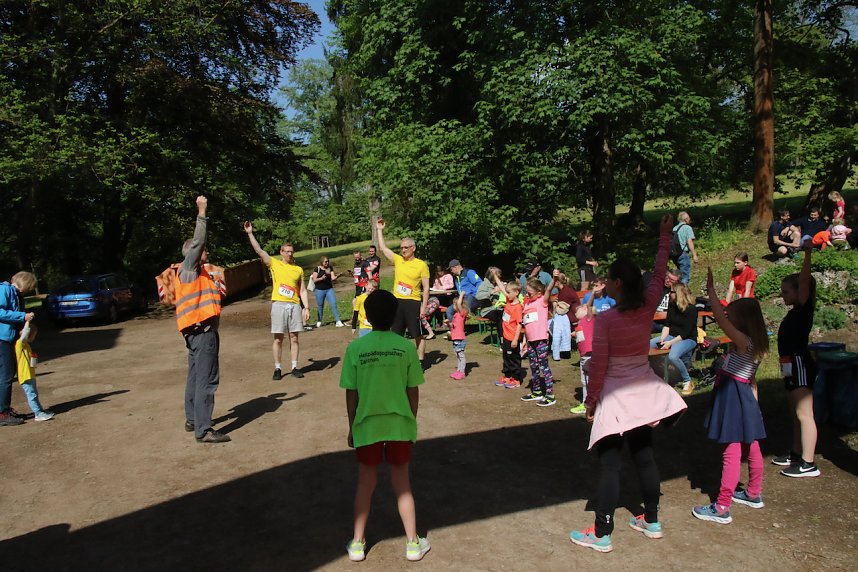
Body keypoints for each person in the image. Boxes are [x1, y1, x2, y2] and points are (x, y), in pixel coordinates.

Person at [568, 215, 687, 554]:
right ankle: (651, 520)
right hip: (643, 394)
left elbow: (600, 365)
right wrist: (664, 236)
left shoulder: (606, 320)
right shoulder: (648, 305)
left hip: (617, 398)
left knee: (610, 463)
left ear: (618, 283)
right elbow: (660, 272)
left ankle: (602, 532)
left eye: (609, 280)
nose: (605, 283)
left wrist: (591, 403)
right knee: (645, 457)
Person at [340, 289, 430, 563]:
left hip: (366, 425)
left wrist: (352, 426)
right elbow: (412, 390)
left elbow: (351, 392)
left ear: (366, 315)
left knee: (366, 483)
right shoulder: (405, 347)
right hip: (399, 424)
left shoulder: (356, 348)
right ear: (395, 316)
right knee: (402, 483)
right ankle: (413, 544)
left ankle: (357, 544)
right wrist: (410, 419)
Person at [691, 269, 769, 525]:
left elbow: (720, 319)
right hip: (746, 394)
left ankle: (722, 506)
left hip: (734, 395)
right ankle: (753, 493)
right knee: (752, 444)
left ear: (743, 320)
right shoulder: (757, 342)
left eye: (733, 316)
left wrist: (712, 291)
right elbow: (751, 377)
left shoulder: (743, 340)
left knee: (731, 450)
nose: (728, 319)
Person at [179, 196, 229, 443]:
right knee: (206, 381)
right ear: (194, 254)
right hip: (203, 333)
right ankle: (204, 429)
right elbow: (198, 241)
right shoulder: (189, 268)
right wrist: (202, 211)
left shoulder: (198, 273)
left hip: (194, 334)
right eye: (203, 251)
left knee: (194, 377)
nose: (206, 252)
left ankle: (192, 419)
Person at [772, 246, 820, 478]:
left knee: (804, 414)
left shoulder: (803, 308)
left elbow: (804, 280)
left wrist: (808, 254)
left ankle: (809, 463)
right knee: (795, 413)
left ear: (801, 292)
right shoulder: (794, 311)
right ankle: (796, 453)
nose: (783, 295)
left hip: (800, 362)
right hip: (789, 363)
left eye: (786, 292)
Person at [244, 222, 310, 379]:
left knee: (294, 337)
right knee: (278, 338)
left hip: (294, 305)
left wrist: (305, 307)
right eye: (286, 252)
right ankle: (278, 368)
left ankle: (294, 366)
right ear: (281, 252)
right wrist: (250, 233)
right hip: (279, 304)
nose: (289, 254)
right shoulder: (274, 264)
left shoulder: (298, 270)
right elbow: (259, 251)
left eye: (291, 252)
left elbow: (302, 290)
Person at [375, 220, 430, 362]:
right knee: (396, 333)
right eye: (401, 248)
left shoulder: (421, 265)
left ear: (413, 248)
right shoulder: (398, 260)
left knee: (417, 333)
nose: (403, 250)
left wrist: (423, 307)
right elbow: (383, 248)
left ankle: (421, 361)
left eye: (406, 247)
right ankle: (398, 359)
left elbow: (426, 289)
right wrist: (379, 230)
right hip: (397, 302)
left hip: (413, 302)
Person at [0, 271, 35, 426]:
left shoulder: (14, 293)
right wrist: (22, 317)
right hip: (2, 340)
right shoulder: (5, 290)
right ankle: (2, 413)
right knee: (6, 376)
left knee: (6, 375)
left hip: (7, 338)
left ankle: (4, 409)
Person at [650, 283, 698, 396]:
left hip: (687, 339)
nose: (669, 293)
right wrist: (662, 339)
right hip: (671, 336)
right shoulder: (671, 305)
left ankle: (687, 380)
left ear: (678, 294)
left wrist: (670, 343)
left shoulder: (691, 309)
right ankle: (655, 374)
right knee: (648, 345)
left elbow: (686, 332)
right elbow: (667, 325)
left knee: (673, 356)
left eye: (671, 292)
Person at [520, 274, 558, 407]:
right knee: (533, 366)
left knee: (543, 366)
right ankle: (536, 391)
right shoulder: (527, 303)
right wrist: (525, 340)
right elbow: (526, 323)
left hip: (541, 339)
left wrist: (554, 279)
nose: (527, 295)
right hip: (530, 340)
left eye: (529, 293)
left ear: (538, 292)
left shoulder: (542, 301)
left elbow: (548, 290)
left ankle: (550, 395)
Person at [15, 322, 54, 421]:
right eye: (34, 335)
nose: (34, 337)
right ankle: (38, 413)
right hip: (25, 375)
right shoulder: (20, 343)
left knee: (34, 394)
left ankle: (40, 411)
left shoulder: (27, 345)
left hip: (30, 374)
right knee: (31, 395)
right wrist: (28, 321)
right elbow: (24, 335)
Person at [497, 281, 525, 389]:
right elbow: (501, 287)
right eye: (507, 292)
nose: (506, 294)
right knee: (506, 357)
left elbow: (519, 324)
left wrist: (515, 339)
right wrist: (494, 275)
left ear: (516, 292)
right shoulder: (509, 301)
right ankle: (507, 376)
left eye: (509, 292)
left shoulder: (518, 307)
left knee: (514, 358)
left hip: (513, 337)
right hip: (506, 336)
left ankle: (516, 379)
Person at [569, 304, 595, 416]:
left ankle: (589, 405)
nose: (575, 313)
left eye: (577, 310)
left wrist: (593, 293)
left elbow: (589, 304)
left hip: (590, 355)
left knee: (589, 381)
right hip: (583, 356)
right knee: (585, 381)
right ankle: (586, 403)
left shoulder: (589, 319)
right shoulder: (581, 323)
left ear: (585, 309)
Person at [310, 256, 345, 328]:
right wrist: (321, 278)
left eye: (328, 261)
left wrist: (338, 275)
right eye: (325, 261)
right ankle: (319, 321)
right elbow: (314, 280)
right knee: (320, 306)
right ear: (322, 262)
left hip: (329, 289)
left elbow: (333, 278)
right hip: (319, 290)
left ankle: (338, 321)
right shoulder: (317, 269)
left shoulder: (330, 268)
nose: (327, 263)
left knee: (333, 304)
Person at [550, 271, 575, 361]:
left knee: (556, 323)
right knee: (552, 323)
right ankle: (560, 348)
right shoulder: (564, 290)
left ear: (557, 282)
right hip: (568, 315)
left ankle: (558, 349)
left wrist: (554, 304)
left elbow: (562, 310)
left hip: (571, 316)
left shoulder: (565, 292)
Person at [673, 211, 699, 285]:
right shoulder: (687, 228)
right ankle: (682, 293)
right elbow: (689, 242)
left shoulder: (674, 228)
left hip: (675, 254)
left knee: (679, 274)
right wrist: (694, 255)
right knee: (685, 276)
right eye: (688, 218)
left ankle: (678, 290)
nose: (689, 219)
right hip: (683, 254)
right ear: (686, 219)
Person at [652, 268, 680, 333]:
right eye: (667, 277)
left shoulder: (679, 292)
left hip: (669, 322)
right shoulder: (657, 287)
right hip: (653, 320)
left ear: (677, 282)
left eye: (671, 280)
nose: (667, 281)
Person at [449, 292, 468, 380]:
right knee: (458, 356)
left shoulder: (462, 313)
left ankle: (462, 372)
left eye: (454, 304)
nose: (453, 305)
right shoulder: (456, 315)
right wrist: (448, 324)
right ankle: (459, 370)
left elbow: (459, 303)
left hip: (460, 339)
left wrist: (461, 294)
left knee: (461, 356)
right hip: (455, 338)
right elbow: (454, 327)